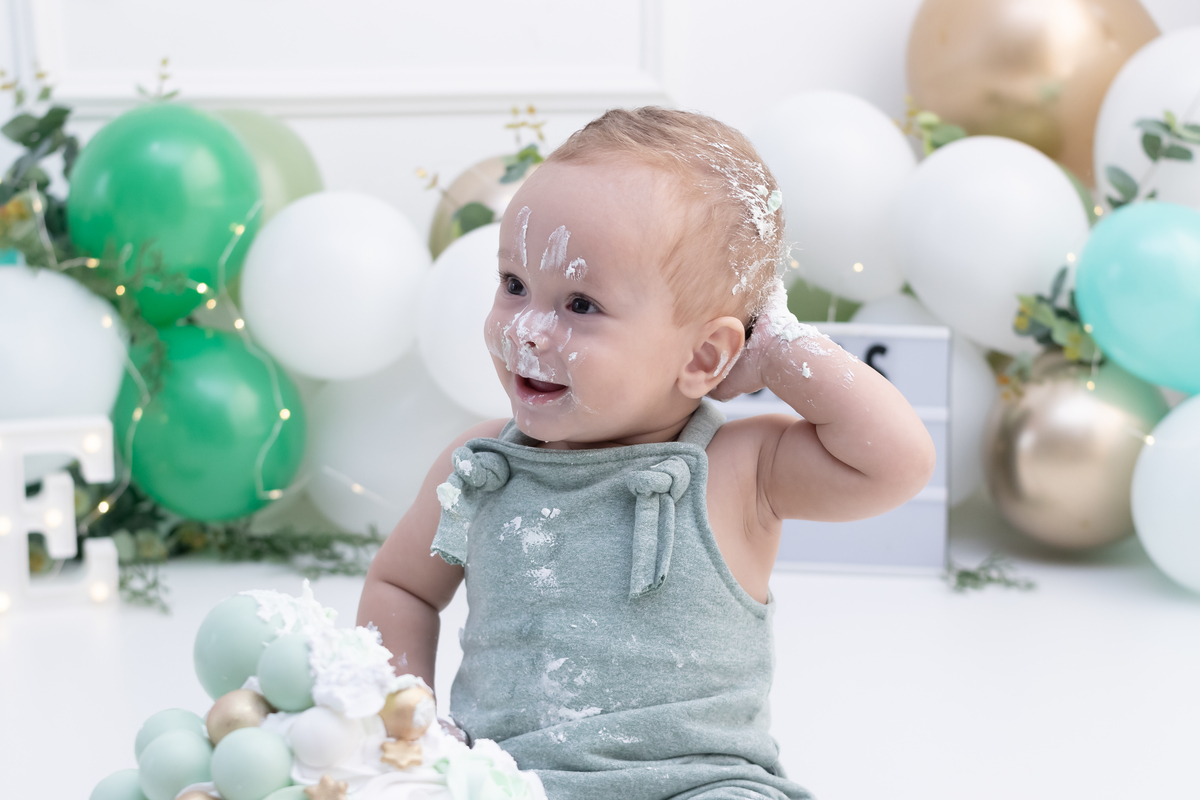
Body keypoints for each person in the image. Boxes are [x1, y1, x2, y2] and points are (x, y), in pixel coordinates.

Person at [358, 107, 936, 800]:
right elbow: (401, 588)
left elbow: (896, 462)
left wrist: (782, 348)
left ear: (704, 355)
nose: (529, 330)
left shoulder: (739, 469)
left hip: (699, 785)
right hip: (508, 783)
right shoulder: (481, 468)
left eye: (580, 303)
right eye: (514, 285)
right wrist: (410, 724)